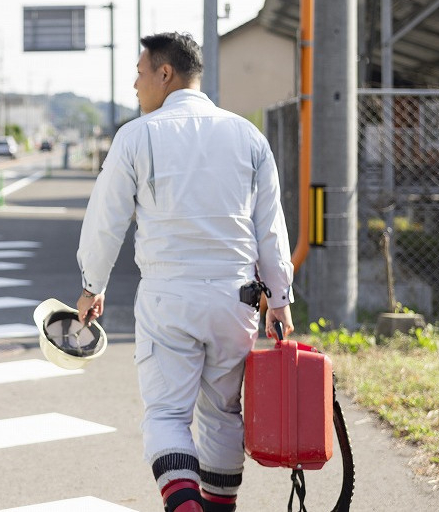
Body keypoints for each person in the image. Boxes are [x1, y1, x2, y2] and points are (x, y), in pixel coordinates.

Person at [75, 32, 294, 512]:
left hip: (168, 298)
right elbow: (269, 226)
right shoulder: (248, 136)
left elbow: (105, 220)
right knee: (222, 413)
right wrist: (279, 298)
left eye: (139, 72)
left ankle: (184, 505)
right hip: (236, 299)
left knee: (167, 414)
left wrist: (93, 286)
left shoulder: (137, 136)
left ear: (165, 73)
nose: (135, 84)